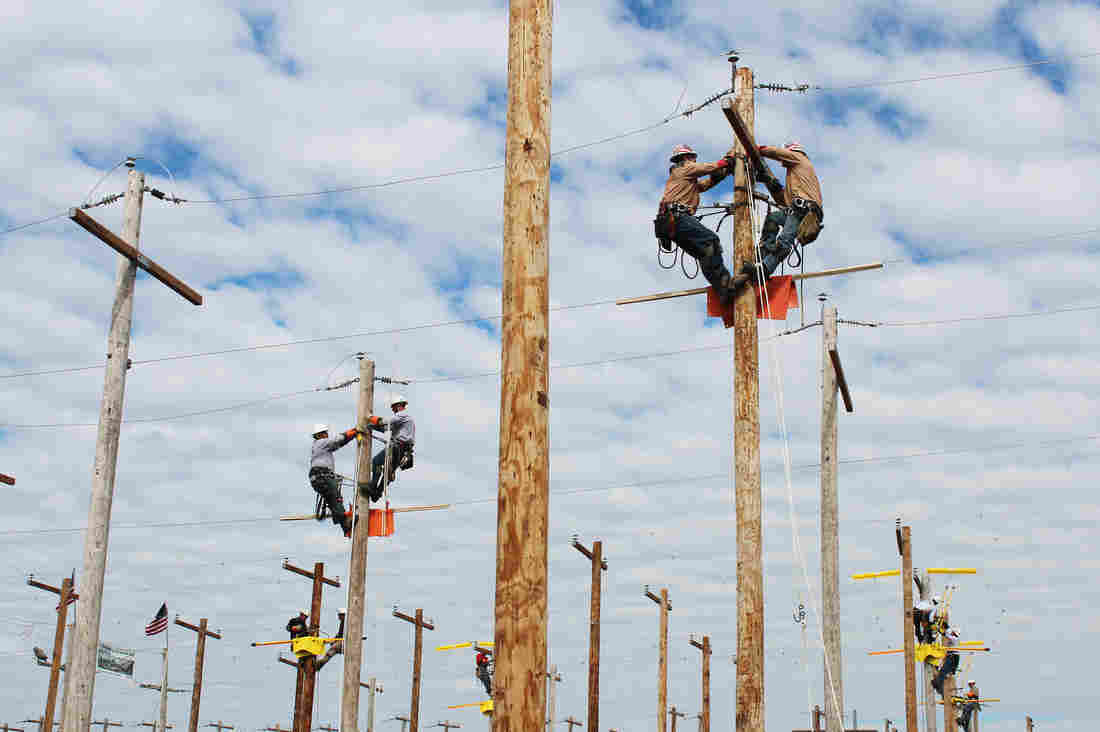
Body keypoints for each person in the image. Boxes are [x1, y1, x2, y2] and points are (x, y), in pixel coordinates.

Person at [654, 144, 752, 303]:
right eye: (693, 157)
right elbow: (708, 167)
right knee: (711, 241)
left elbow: (703, 186)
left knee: (704, 253)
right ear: (686, 157)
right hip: (677, 218)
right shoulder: (684, 167)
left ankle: (723, 290)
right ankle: (725, 285)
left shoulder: (683, 178)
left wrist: (722, 174)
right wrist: (728, 160)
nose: (694, 160)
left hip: (671, 223)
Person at [754, 141, 824, 279]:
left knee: (784, 240)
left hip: (805, 209)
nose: (782, 163)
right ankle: (763, 255)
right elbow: (784, 202)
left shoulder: (799, 158)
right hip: (799, 208)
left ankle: (765, 269)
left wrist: (757, 149)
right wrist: (770, 183)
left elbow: (777, 153)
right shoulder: (795, 175)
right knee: (773, 218)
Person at [309, 423, 359, 536]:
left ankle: (345, 526)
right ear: (320, 434)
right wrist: (355, 431)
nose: (327, 435)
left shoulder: (320, 446)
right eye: (325, 433)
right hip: (322, 475)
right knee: (336, 498)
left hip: (317, 477)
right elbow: (338, 439)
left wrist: (352, 436)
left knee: (332, 501)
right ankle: (345, 522)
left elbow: (339, 444)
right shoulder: (321, 442)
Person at [365, 395, 416, 502]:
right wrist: (372, 427)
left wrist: (369, 417)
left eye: (393, 407)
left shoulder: (403, 415)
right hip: (403, 450)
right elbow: (385, 428)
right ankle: (376, 494)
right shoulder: (401, 420)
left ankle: (373, 487)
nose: (392, 409)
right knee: (388, 472)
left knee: (376, 462)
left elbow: (385, 421)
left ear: (399, 406)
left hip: (398, 447)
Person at [932, 626, 961, 695]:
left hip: (952, 657)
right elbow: (948, 632)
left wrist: (939, 630)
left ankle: (938, 684)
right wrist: (946, 626)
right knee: (947, 672)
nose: (951, 633)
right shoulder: (955, 638)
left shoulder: (954, 639)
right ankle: (939, 684)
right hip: (953, 657)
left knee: (944, 671)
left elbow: (946, 635)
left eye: (952, 632)